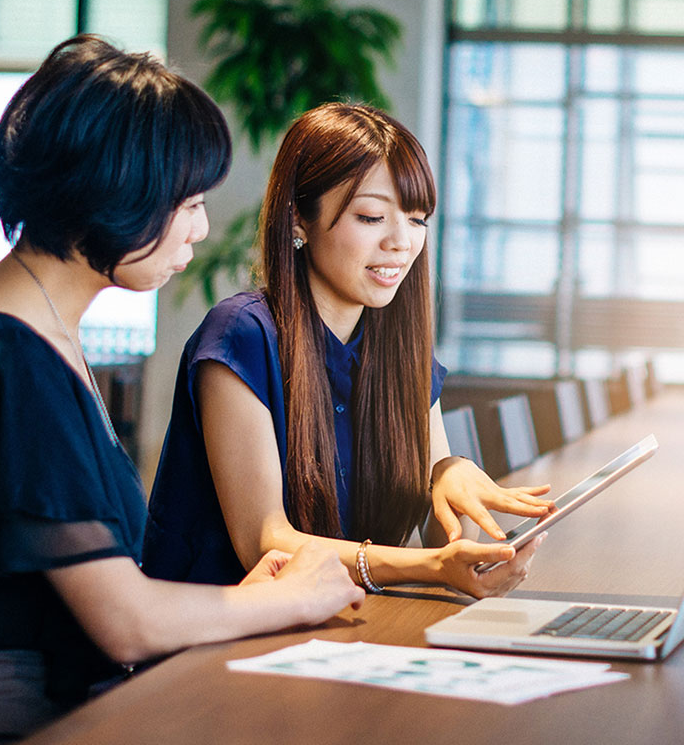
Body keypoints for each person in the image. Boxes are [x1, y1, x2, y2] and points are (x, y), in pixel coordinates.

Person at [0, 37, 363, 745]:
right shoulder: (10, 361)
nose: (199, 228)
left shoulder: (24, 329)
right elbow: (126, 622)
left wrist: (250, 599)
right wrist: (293, 598)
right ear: (118, 192)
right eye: (189, 201)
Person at [144, 102, 553, 596]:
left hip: (342, 629)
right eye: (372, 216)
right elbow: (265, 543)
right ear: (298, 217)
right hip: (216, 645)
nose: (401, 242)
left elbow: (451, 546)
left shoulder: (400, 351)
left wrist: (452, 475)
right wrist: (427, 566)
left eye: (418, 219)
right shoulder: (242, 335)